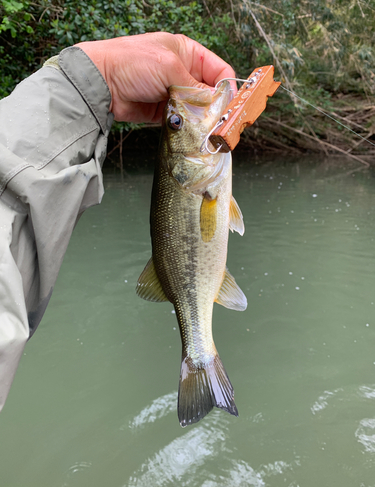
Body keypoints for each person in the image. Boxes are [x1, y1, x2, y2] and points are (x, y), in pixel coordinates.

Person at [0, 32, 236, 412]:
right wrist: (95, 77)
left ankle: (200, 358)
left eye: (173, 122)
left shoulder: (204, 181)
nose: (178, 118)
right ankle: (199, 357)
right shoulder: (205, 181)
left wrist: (102, 77)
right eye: (176, 122)